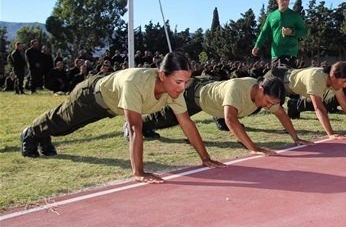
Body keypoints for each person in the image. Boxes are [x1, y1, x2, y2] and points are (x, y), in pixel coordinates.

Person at [19, 51, 224, 183]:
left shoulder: (174, 92)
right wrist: (139, 172)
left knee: (63, 127)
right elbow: (135, 128)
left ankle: (42, 136)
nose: (183, 87)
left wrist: (205, 159)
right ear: (162, 75)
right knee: (63, 123)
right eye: (178, 81)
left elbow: (186, 123)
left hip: (111, 105)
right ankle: (31, 133)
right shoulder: (136, 82)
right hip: (92, 97)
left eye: (186, 82)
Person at [136, 76, 313, 155]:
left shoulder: (267, 97)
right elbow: (231, 119)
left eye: (272, 104)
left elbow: (281, 114)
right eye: (268, 102)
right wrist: (254, 148)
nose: (268, 107)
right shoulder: (238, 88)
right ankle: (137, 126)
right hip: (195, 96)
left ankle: (217, 116)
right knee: (165, 119)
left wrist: (296, 138)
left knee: (230, 118)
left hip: (218, 101)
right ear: (260, 89)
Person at [270, 62, 346, 138]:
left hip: (288, 85)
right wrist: (331, 134)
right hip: (277, 79)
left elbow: (344, 104)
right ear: (333, 76)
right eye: (343, 82)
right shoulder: (316, 78)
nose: (344, 85)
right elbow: (318, 108)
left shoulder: (334, 80)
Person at [252, 0, 307, 68]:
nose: (285, 2)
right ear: (277, 0)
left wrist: (292, 32)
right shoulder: (271, 16)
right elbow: (264, 32)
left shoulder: (295, 16)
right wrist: (257, 45)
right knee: (275, 77)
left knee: (280, 75)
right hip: (275, 53)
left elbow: (304, 31)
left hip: (289, 52)